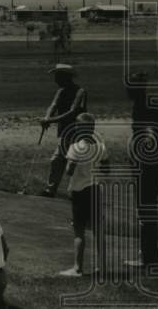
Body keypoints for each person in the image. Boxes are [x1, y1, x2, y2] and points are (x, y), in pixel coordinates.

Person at [125, 72, 158, 268]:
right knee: (147, 208)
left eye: (130, 88)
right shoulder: (146, 105)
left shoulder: (144, 107)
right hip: (148, 165)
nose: (127, 92)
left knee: (145, 209)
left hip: (146, 166)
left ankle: (147, 256)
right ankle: (149, 253)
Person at [57, 112, 109, 277]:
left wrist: (72, 161)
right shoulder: (100, 145)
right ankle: (102, 267)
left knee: (79, 230)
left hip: (80, 191)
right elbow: (106, 168)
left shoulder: (76, 147)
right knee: (98, 230)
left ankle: (78, 268)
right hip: (95, 188)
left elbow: (69, 172)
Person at [40, 64, 88, 196]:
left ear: (66, 77)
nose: (56, 79)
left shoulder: (80, 92)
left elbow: (73, 112)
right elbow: (53, 105)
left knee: (73, 163)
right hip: (64, 132)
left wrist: (50, 120)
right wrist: (47, 116)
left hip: (77, 132)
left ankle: (74, 192)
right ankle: (51, 190)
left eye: (58, 75)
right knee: (58, 161)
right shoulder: (61, 91)